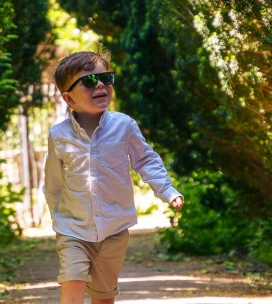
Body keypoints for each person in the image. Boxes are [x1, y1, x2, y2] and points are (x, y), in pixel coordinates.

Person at [43, 50, 184, 304]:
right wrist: (59, 219)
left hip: (114, 230)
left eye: (106, 78)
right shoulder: (59, 135)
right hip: (73, 230)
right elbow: (53, 182)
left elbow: (145, 160)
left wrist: (167, 191)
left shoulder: (124, 125)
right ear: (69, 98)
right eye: (88, 81)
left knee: (104, 296)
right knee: (72, 285)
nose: (100, 84)